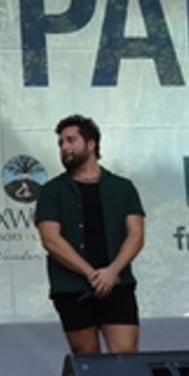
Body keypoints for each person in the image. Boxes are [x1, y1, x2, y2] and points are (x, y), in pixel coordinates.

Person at [34, 115, 145, 354]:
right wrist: (92, 274)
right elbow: (50, 239)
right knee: (87, 359)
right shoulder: (52, 191)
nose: (64, 147)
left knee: (126, 355)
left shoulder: (122, 187)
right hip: (72, 287)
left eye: (71, 140)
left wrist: (112, 271)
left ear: (91, 143)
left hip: (118, 284)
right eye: (61, 143)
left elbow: (136, 235)